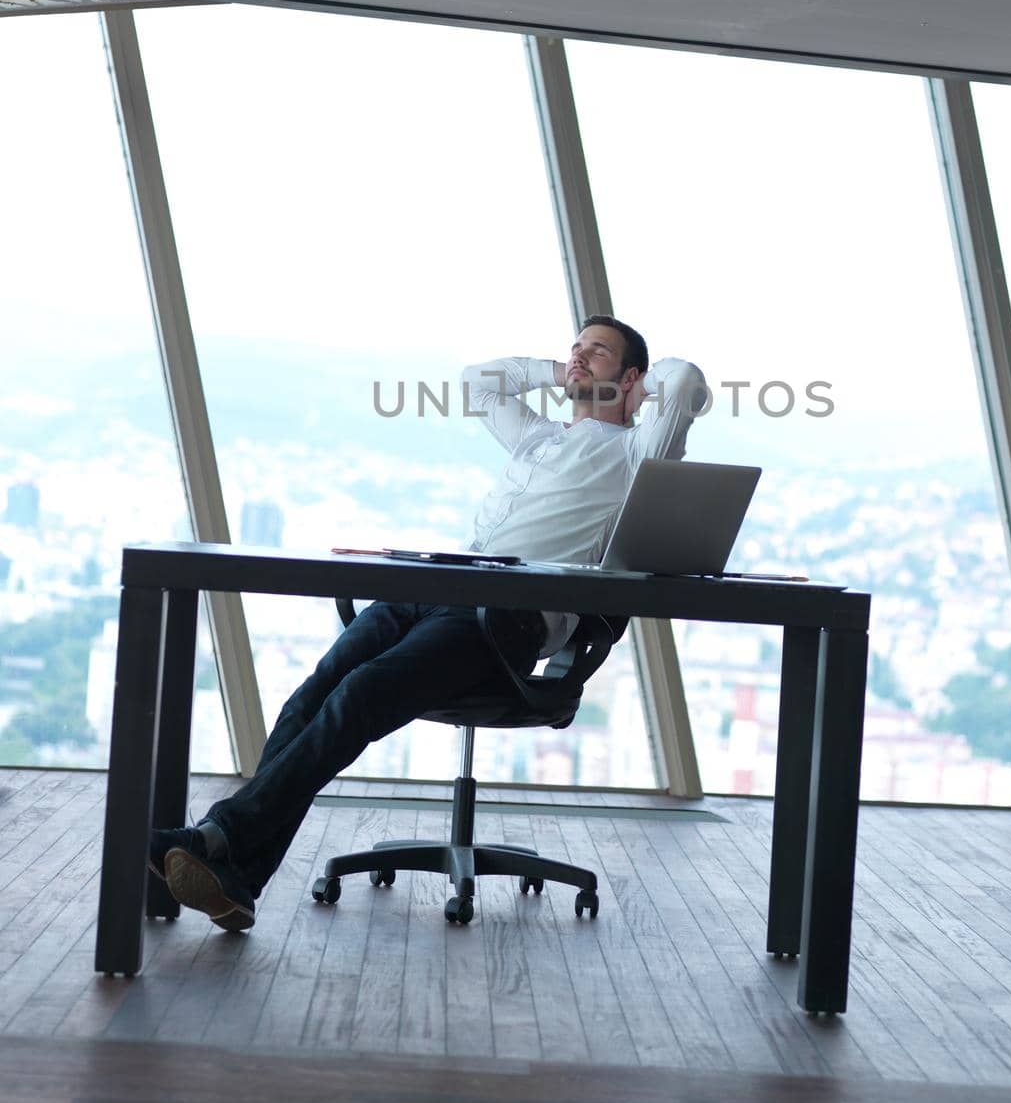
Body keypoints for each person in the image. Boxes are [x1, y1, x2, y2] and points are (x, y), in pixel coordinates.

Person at [149, 315, 708, 931]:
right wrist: (566, 371)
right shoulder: (538, 439)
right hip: (437, 589)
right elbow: (478, 385)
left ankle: (217, 839)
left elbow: (684, 383)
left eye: (596, 352)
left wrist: (635, 391)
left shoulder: (634, 455)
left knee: (361, 694)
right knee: (311, 696)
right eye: (574, 347)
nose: (577, 357)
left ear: (631, 377)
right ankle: (238, 878)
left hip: (502, 625)